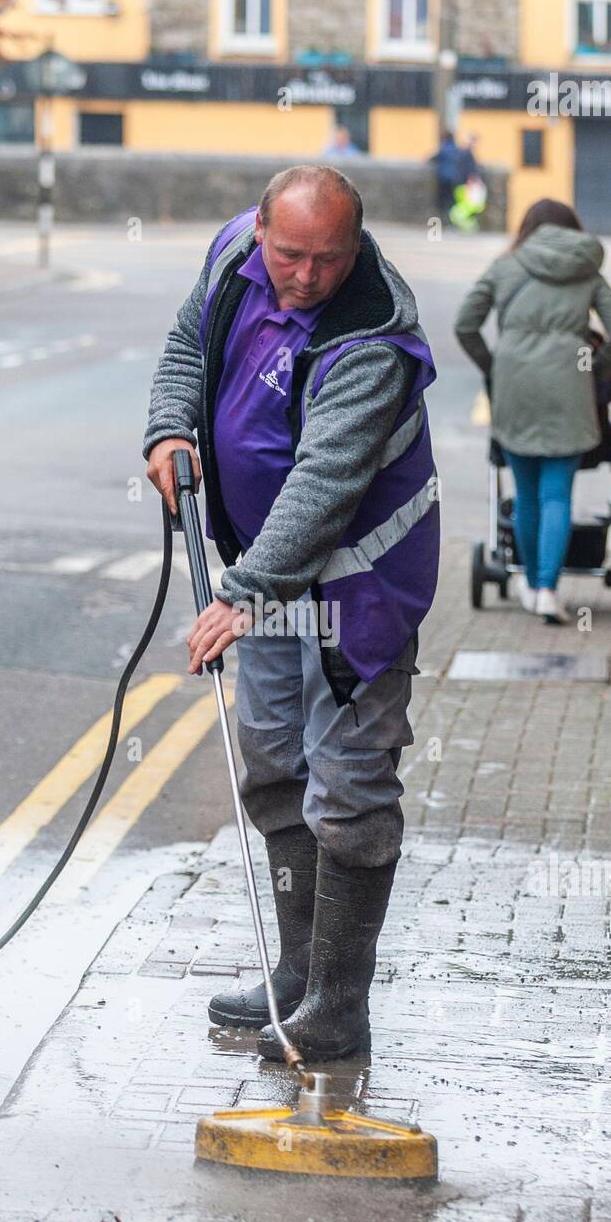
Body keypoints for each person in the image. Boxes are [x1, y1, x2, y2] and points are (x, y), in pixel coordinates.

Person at [143, 166, 439, 1061]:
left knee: (349, 784)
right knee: (272, 764)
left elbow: (323, 485)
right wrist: (167, 426)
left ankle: (338, 1005)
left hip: (358, 586)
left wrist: (240, 593)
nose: (306, 277)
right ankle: (295, 973)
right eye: (291, 254)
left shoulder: (372, 338)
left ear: (359, 245)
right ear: (262, 228)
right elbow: (190, 345)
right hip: (266, 578)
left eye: (328, 258)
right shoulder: (237, 251)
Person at [454, 198, 611, 623]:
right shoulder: (585, 267)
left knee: (527, 493)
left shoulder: (506, 266)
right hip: (569, 385)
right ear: (572, 229)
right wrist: (592, 371)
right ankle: (549, 591)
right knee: (557, 494)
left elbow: (465, 324)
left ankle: (531, 584)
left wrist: (494, 367)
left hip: (515, 387)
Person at [429, 130, 460, 216]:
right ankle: (450, 215)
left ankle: (441, 215)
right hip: (454, 177)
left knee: (442, 198)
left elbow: (434, 157)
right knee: (451, 198)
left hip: (443, 177)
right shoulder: (456, 149)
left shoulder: (444, 148)